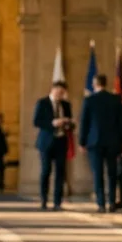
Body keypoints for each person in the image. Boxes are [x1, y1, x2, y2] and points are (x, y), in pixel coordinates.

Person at [78, 75, 122, 213]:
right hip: (113, 141)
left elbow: (84, 122)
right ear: (106, 84)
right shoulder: (115, 99)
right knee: (112, 173)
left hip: (94, 142)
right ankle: (112, 202)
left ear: (94, 84)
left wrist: (82, 142)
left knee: (97, 174)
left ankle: (101, 204)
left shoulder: (89, 100)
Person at [32, 81, 73, 210]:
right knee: (46, 171)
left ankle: (57, 202)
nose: (60, 95)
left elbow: (70, 123)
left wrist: (68, 123)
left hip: (61, 142)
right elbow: (36, 121)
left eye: (62, 93)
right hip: (46, 142)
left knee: (60, 172)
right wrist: (52, 123)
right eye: (59, 92)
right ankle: (44, 200)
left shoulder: (66, 105)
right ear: (53, 90)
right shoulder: (42, 103)